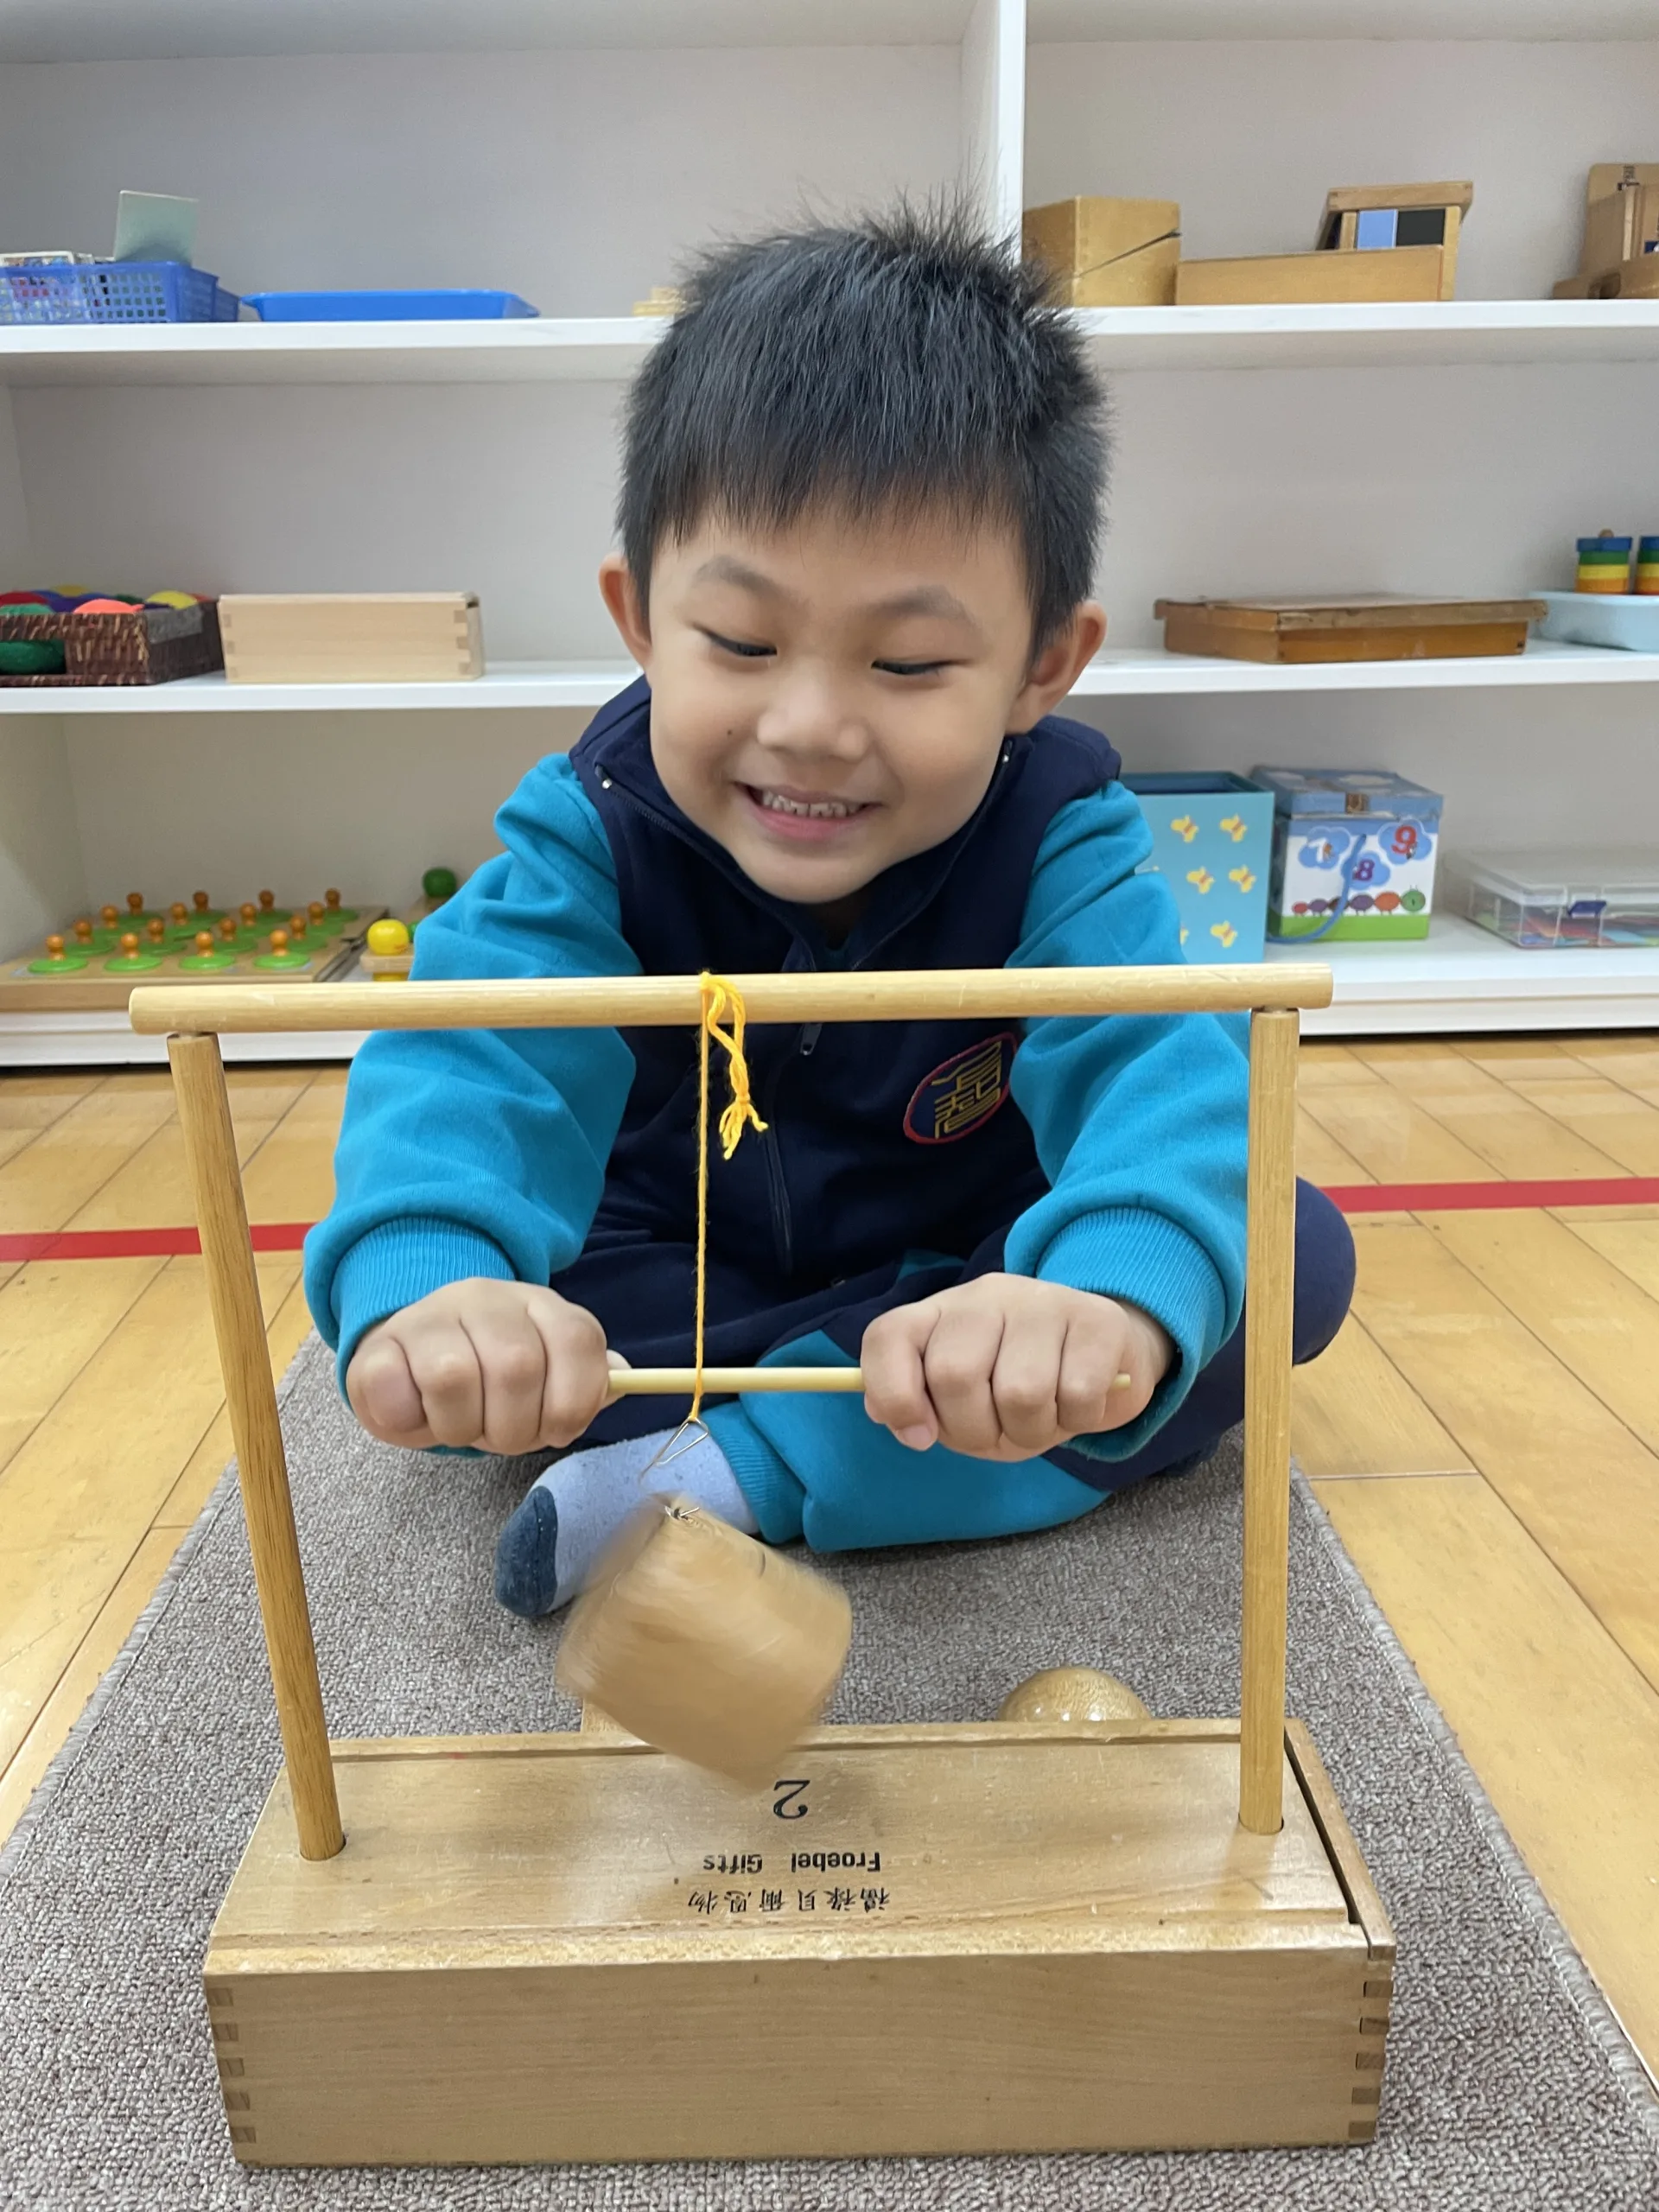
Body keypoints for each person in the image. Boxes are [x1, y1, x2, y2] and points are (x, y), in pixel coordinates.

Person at [302, 206, 1355, 1619]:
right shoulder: (592, 829)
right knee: (497, 1328)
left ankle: (734, 1471)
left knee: (1276, 1256)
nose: (808, 727)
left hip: (972, 1293)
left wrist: (1099, 1299)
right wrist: (440, 1286)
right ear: (640, 620)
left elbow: (1163, 1078)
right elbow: (468, 1063)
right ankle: (809, 1441)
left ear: (1043, 667)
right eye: (741, 643)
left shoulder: (1064, 834)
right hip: (682, 1284)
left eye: (908, 664)